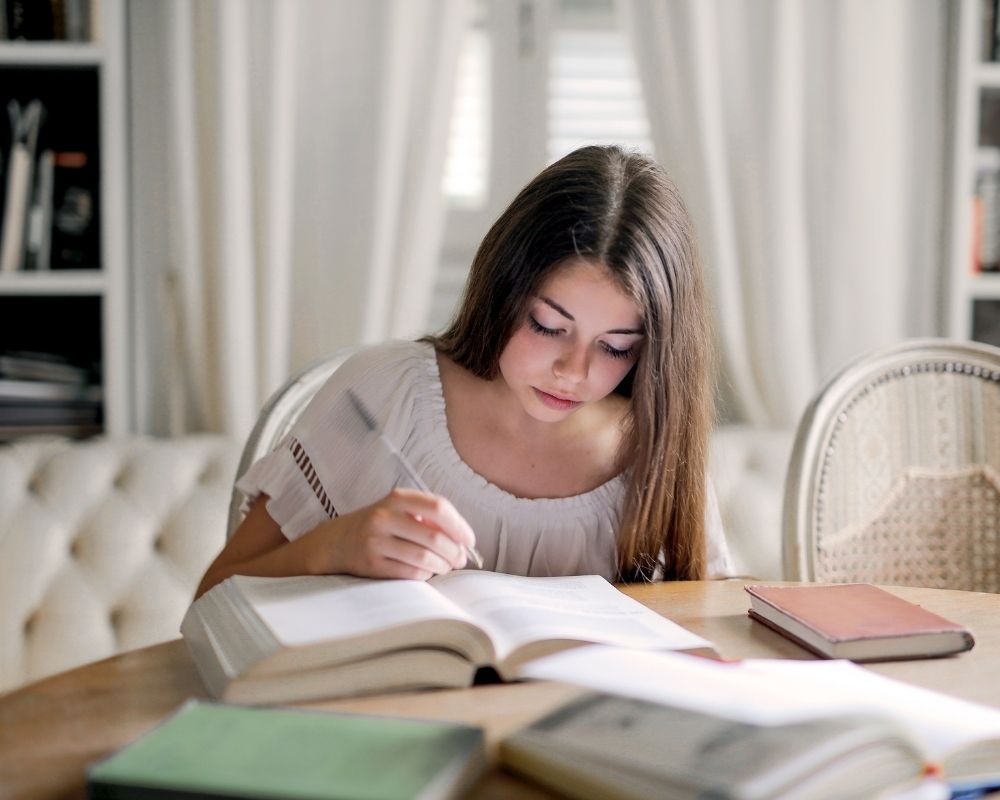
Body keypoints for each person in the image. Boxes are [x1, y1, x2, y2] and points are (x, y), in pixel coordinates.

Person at [195, 144, 731, 599]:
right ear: (503, 292)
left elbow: (706, 629)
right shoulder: (387, 394)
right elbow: (211, 597)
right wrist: (334, 547)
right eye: (547, 326)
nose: (574, 371)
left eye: (615, 347)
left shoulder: (657, 448)